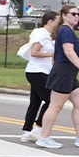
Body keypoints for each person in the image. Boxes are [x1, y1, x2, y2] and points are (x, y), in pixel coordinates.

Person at [35, 4, 79, 149]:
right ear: (64, 15)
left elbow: (62, 52)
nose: (77, 17)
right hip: (64, 72)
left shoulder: (66, 32)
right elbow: (68, 52)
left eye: (78, 14)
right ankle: (44, 137)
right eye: (73, 14)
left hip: (68, 73)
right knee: (55, 106)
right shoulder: (66, 30)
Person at [18, 11, 58, 142]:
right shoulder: (41, 34)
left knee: (35, 101)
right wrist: (50, 55)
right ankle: (38, 128)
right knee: (52, 100)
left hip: (40, 71)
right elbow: (34, 52)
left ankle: (27, 132)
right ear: (50, 21)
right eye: (57, 21)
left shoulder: (47, 35)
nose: (59, 24)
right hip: (37, 72)